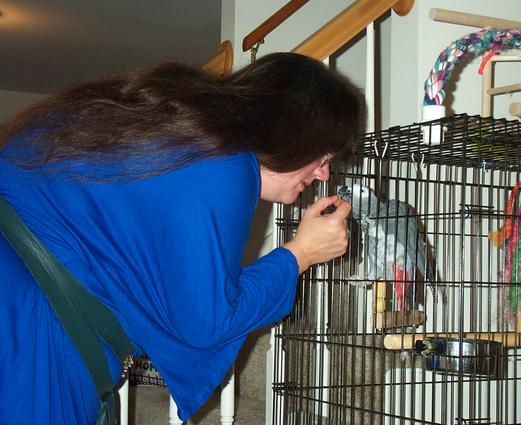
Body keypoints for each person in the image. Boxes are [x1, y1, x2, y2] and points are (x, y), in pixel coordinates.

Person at [0, 52, 363, 424]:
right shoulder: (226, 166)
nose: (323, 174)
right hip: (31, 332)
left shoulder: (179, 130)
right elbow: (207, 325)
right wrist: (301, 253)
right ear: (293, 133)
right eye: (324, 156)